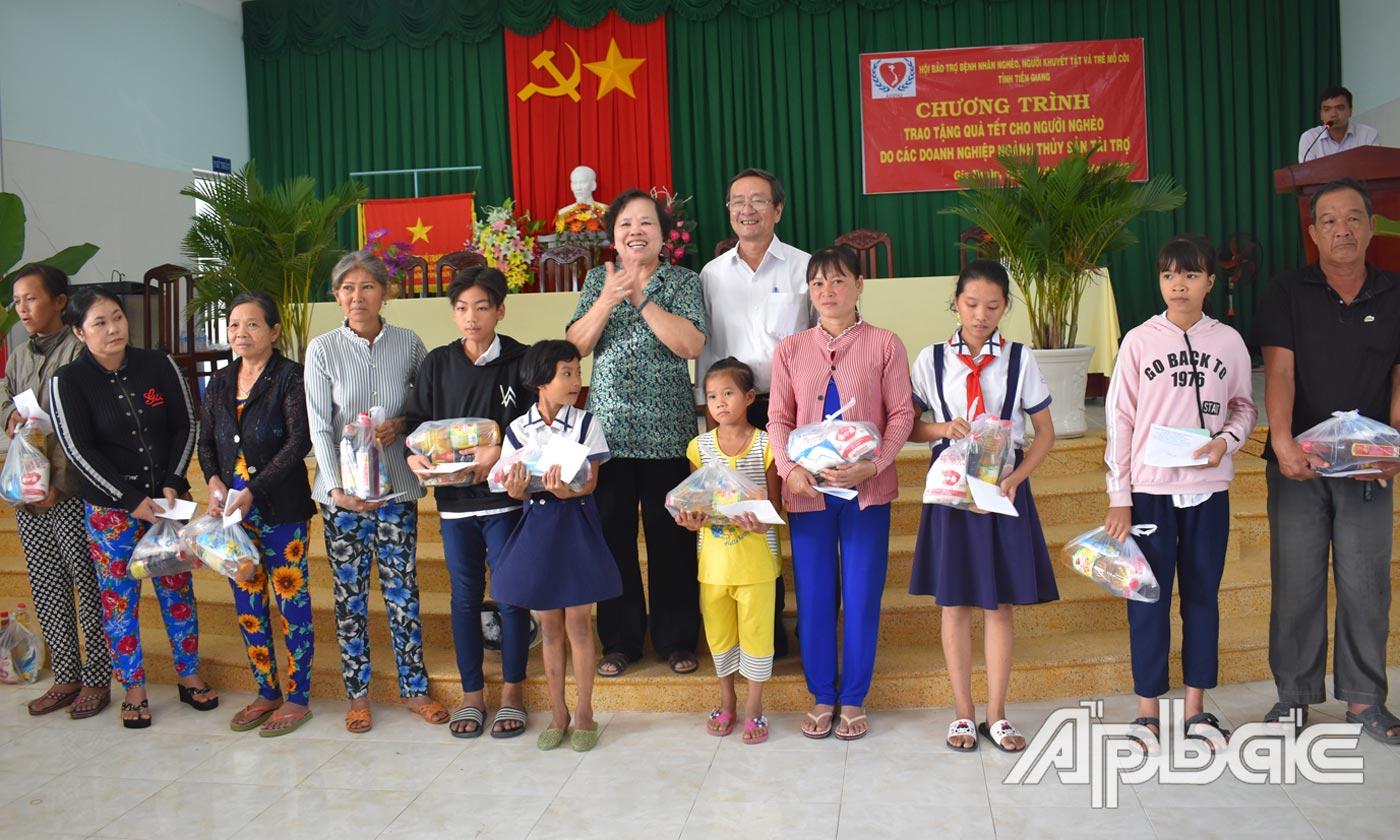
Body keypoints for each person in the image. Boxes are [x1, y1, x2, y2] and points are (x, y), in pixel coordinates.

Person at [1252, 178, 1400, 743]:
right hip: (1299, 464)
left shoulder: (1393, 293)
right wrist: (1283, 440)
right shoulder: (1287, 289)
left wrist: (1394, 448)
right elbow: (1280, 370)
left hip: (1368, 466)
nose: (1343, 228)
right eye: (1330, 220)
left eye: (1354, 218)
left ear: (1371, 226)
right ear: (1312, 232)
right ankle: (1293, 699)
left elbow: (1398, 377)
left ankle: (1365, 702)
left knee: (1366, 583)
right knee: (1297, 581)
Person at [1103, 237, 1257, 750]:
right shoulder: (1138, 341)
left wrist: (1226, 442)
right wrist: (1118, 495)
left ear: (1210, 282)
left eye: (1190, 275)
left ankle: (1197, 710)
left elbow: (1243, 407)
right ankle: (1147, 712)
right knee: (1147, 599)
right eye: (1169, 275)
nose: (1179, 284)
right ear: (1160, 282)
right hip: (1148, 492)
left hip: (1208, 491)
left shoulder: (1228, 342)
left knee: (1201, 598)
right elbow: (1119, 421)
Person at [907, 259, 1057, 753]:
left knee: (999, 605)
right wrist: (941, 429)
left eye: (993, 306)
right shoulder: (929, 360)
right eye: (971, 304)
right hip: (951, 492)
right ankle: (963, 715)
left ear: (1005, 308)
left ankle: (997, 715)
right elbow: (907, 427)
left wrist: (1016, 477)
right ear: (956, 301)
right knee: (954, 604)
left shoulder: (1020, 359)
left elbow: (1045, 433)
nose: (980, 315)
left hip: (1003, 490)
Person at [49, 287, 216, 728]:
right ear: (79, 332)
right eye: (99, 322)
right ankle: (134, 686)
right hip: (111, 512)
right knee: (119, 600)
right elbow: (78, 450)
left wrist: (172, 485)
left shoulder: (158, 365)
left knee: (177, 593)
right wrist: (129, 501)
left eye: (118, 317)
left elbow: (186, 424)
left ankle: (188, 673)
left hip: (166, 504)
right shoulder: (68, 382)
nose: (113, 328)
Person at [769, 245, 914, 741]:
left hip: (866, 490)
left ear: (859, 285)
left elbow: (901, 415)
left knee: (861, 593)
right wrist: (788, 470)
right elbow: (779, 419)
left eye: (837, 281)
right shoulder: (789, 349)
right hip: (808, 492)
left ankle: (852, 696)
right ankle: (821, 694)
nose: (827, 292)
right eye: (817, 284)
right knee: (813, 595)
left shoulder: (885, 343)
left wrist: (873, 464)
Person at [565, 189, 707, 678]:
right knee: (613, 541)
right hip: (608, 438)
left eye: (646, 223)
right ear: (613, 237)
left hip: (669, 433)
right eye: (625, 224)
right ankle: (621, 641)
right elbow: (575, 346)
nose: (635, 232)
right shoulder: (594, 280)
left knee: (672, 542)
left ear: (664, 236)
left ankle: (676, 640)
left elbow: (690, 344)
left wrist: (641, 299)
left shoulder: (683, 281)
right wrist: (607, 298)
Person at [304, 251, 447, 733]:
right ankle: (358, 695)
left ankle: (415, 689)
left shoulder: (408, 344)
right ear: (337, 296)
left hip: (395, 491)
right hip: (342, 498)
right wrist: (339, 489)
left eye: (367, 287)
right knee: (349, 597)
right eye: (347, 288)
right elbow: (319, 427)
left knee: (403, 591)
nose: (357, 297)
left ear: (386, 292)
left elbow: (428, 406)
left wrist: (401, 424)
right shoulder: (322, 349)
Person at [404, 266, 536, 738]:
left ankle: (512, 695)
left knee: (510, 595)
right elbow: (418, 427)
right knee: (464, 599)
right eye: (461, 308)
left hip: (504, 502)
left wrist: (501, 450)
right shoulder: (438, 363)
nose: (471, 317)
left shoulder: (521, 361)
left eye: (482, 307)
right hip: (455, 504)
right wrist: (415, 459)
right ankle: (473, 696)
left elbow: (534, 427)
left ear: (500, 310)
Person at [695, 167, 813, 657]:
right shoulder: (711, 273)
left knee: (792, 514)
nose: (747, 209)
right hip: (729, 412)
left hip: (788, 408)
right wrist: (709, 411)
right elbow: (705, 350)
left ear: (778, 209)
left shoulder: (803, 267)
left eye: (758, 200)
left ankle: (795, 625)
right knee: (738, 515)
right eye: (737, 201)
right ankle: (746, 629)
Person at [488, 340, 622, 752]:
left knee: (579, 623)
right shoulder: (517, 429)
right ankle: (557, 711)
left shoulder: (587, 423)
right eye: (567, 373)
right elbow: (513, 487)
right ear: (540, 379)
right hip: (538, 527)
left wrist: (568, 490)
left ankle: (585, 712)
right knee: (548, 625)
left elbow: (592, 481)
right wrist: (514, 490)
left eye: (577, 373)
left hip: (576, 522)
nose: (575, 381)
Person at [197, 290, 316, 736]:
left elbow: (297, 443)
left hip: (281, 508)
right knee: (249, 603)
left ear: (273, 331)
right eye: (233, 325)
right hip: (233, 516)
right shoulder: (222, 380)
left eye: (251, 324)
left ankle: (298, 696)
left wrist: (253, 488)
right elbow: (205, 442)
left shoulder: (290, 377)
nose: (240, 333)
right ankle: (267, 691)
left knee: (291, 602)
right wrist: (214, 483)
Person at [1, 264, 112, 719]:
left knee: (86, 585)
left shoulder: (79, 351)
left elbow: (85, 431)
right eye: (17, 300)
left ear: (60, 301)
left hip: (70, 493)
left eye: (31, 298)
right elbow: (6, 397)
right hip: (27, 492)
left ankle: (97, 679)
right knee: (46, 586)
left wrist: (59, 486)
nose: (22, 308)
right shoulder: (19, 354)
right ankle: (65, 677)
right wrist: (8, 415)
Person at [675, 358, 782, 745]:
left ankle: (754, 705)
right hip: (713, 564)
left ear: (750, 397)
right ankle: (727, 697)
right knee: (719, 635)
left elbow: (775, 508)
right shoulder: (699, 447)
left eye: (728, 394)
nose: (719, 403)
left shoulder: (767, 444)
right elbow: (697, 504)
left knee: (757, 635)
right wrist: (691, 520)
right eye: (712, 396)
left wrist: (761, 521)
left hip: (756, 563)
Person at [1298, 85, 1380, 162]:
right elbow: (1307, 175)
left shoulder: (1368, 134)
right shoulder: (1310, 138)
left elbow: (1374, 168)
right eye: (1327, 109)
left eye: (1340, 108)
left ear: (1350, 111)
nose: (1333, 114)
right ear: (1321, 114)